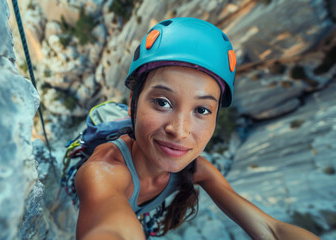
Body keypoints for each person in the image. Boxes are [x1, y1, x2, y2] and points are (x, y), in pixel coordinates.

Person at [74, 17, 320, 240]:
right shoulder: (103, 171)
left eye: (202, 110)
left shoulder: (197, 170)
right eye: (162, 103)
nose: (179, 130)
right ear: (133, 103)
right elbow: (110, 230)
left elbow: (272, 231)